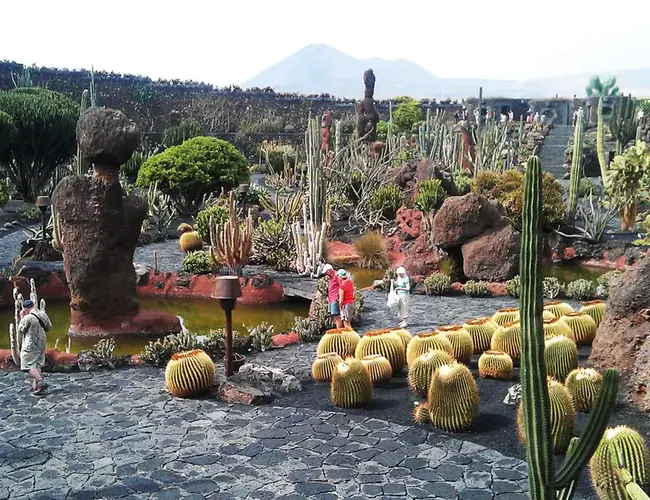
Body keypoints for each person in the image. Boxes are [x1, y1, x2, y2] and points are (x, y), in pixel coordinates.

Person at [17, 300, 52, 395]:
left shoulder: (28, 317)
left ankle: (41, 382)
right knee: (37, 364)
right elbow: (49, 327)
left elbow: (21, 329)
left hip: (31, 343)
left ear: (25, 308)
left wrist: (22, 317)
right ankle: (36, 386)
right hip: (42, 343)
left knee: (27, 363)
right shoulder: (42, 314)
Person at [321, 264, 342, 328]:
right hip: (331, 298)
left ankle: (339, 332)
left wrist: (339, 297)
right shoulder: (331, 277)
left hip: (335, 298)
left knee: (337, 316)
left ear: (330, 270)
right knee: (333, 315)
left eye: (326, 272)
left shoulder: (336, 276)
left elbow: (341, 286)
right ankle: (337, 329)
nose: (326, 274)